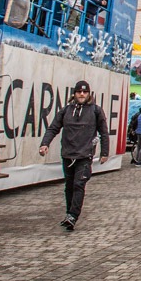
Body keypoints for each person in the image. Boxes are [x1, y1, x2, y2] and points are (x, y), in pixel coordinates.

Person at [39, 80, 110, 230]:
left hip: (84, 155)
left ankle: (73, 215)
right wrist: (45, 143)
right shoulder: (66, 110)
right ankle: (68, 213)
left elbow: (104, 132)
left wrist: (104, 152)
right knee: (69, 186)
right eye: (79, 92)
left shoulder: (96, 110)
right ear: (74, 93)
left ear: (89, 94)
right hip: (67, 154)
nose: (82, 94)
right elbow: (53, 128)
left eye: (85, 92)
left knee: (79, 184)